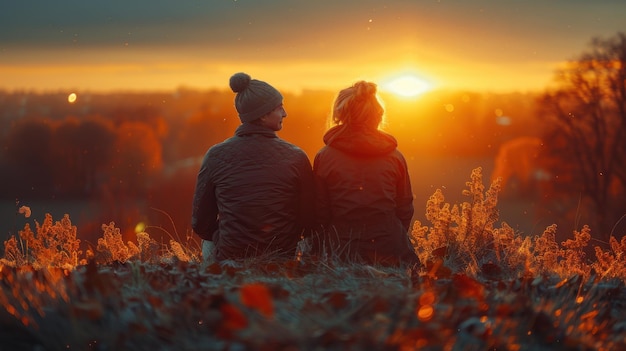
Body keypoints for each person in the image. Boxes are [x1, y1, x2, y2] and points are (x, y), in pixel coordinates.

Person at [191, 72, 315, 262]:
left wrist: (229, 236)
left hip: (230, 260)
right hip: (282, 260)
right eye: (279, 108)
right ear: (263, 115)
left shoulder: (215, 155)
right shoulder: (296, 156)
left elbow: (200, 223)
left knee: (208, 242)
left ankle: (212, 279)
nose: (285, 113)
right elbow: (309, 220)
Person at [312, 80, 420, 267]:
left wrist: (321, 249)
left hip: (342, 250)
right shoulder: (395, 157)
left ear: (339, 115)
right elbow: (405, 207)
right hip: (393, 249)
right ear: (378, 114)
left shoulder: (324, 157)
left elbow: (320, 212)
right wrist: (389, 235)